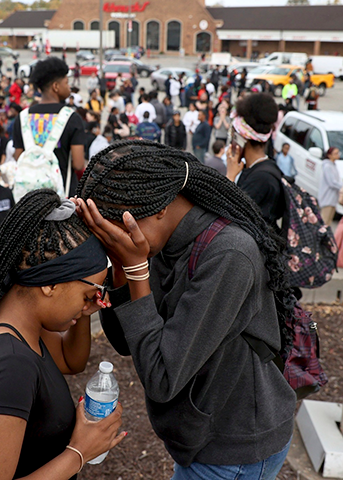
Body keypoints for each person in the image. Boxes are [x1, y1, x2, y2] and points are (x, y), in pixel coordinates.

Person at [76, 140, 296, 479]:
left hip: (233, 447)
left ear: (160, 206)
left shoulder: (228, 255)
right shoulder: (162, 238)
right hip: (202, 435)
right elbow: (126, 343)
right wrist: (121, 268)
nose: (117, 239)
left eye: (116, 228)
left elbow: (162, 378)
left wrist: (136, 270)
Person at [0, 190, 124, 479]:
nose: (92, 303)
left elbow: (71, 361)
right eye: (88, 295)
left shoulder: (18, 323)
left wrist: (83, 309)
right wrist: (79, 452)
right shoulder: (11, 365)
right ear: (50, 285)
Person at [12, 57, 86, 197]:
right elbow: (78, 164)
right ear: (56, 87)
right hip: (62, 197)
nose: (69, 87)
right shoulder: (72, 118)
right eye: (66, 82)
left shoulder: (22, 117)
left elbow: (19, 157)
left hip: (30, 199)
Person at [226, 93, 285, 228]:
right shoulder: (259, 168)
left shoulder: (261, 179)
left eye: (233, 135)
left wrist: (229, 176)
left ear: (242, 138)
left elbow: (229, 220)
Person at [318, 147, 342, 226]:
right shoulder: (327, 166)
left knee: (328, 222)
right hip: (327, 198)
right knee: (324, 222)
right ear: (329, 155)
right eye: (335, 153)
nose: (338, 155)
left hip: (332, 199)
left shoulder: (333, 165)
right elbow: (332, 182)